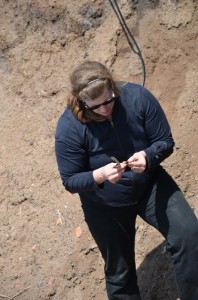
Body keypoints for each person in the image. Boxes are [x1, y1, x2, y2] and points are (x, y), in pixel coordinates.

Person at [55, 60, 198, 300]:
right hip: (104, 204)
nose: (104, 109)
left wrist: (148, 156)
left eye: (108, 100)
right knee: (119, 273)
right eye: (95, 106)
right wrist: (98, 175)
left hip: (149, 184)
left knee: (189, 234)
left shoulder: (137, 97)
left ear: (113, 86)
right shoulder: (69, 126)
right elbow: (70, 180)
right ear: (81, 102)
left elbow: (165, 141)